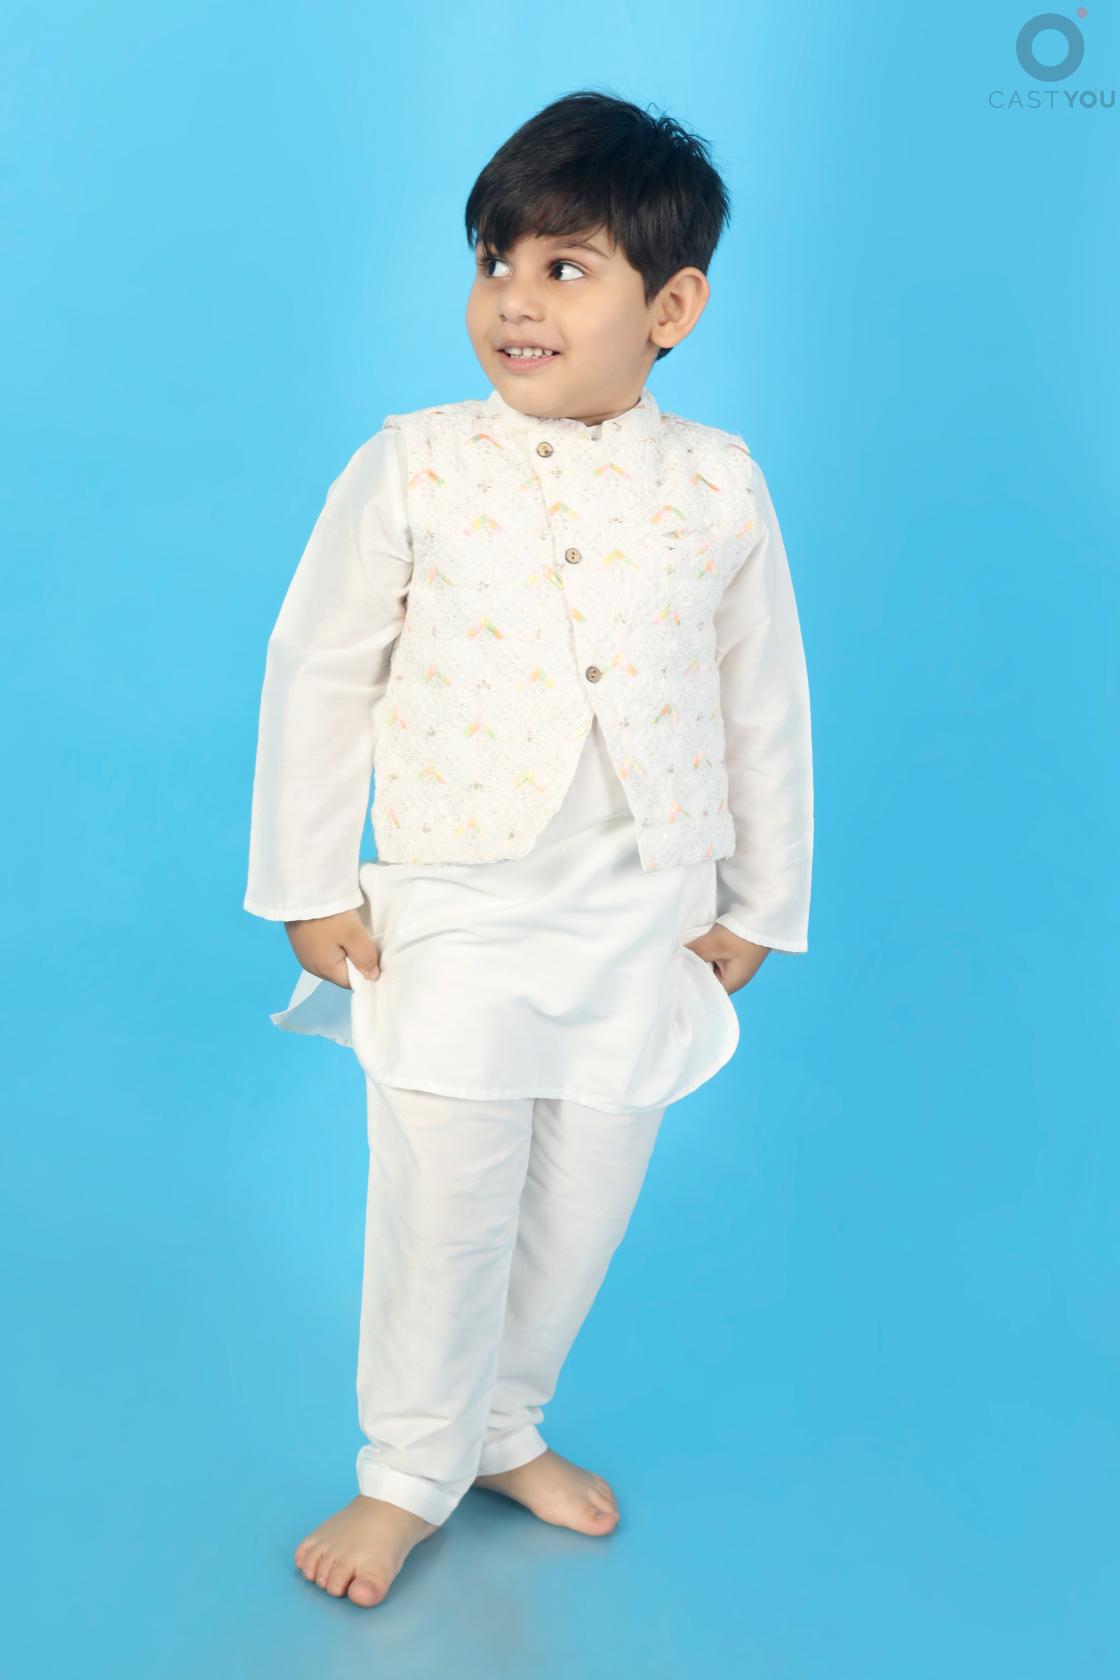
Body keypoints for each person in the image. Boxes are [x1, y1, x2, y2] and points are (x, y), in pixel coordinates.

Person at [243, 89, 814, 1609]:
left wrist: (762, 899)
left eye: (566, 267)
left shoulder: (721, 484)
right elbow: (320, 672)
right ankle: (405, 1470)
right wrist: (307, 881)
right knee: (446, 1207)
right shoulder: (414, 464)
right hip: (458, 904)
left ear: (671, 309)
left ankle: (503, 1428)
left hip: (643, 917)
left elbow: (764, 700)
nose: (514, 297)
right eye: (496, 260)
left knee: (578, 1208)